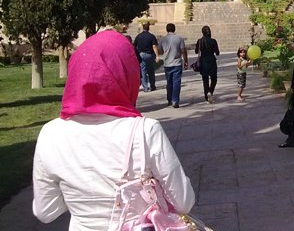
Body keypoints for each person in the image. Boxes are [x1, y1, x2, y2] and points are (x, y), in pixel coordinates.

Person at [32, 30, 195, 230]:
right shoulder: (144, 130)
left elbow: (46, 211)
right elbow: (183, 201)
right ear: (127, 74)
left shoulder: (50, 134)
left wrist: (79, 195)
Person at [158, 23, 188, 108]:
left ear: (167, 29)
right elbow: (183, 50)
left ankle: (169, 99)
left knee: (169, 82)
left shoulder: (162, 39)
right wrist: (186, 61)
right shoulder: (179, 38)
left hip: (167, 63)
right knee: (176, 82)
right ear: (174, 29)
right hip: (177, 63)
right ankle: (175, 100)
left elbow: (160, 51)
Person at [195, 25, 220, 103]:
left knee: (205, 80)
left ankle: (206, 96)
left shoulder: (200, 41)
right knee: (214, 78)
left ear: (202, 32)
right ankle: (210, 91)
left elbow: (196, 51)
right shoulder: (213, 41)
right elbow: (217, 53)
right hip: (212, 61)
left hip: (203, 62)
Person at [133, 22, 160, 92]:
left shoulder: (139, 36)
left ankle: (145, 87)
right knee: (151, 71)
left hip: (141, 54)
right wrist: (157, 56)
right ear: (148, 28)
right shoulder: (151, 36)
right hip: (150, 55)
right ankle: (152, 86)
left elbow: (134, 45)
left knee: (143, 71)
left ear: (143, 28)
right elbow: (154, 46)